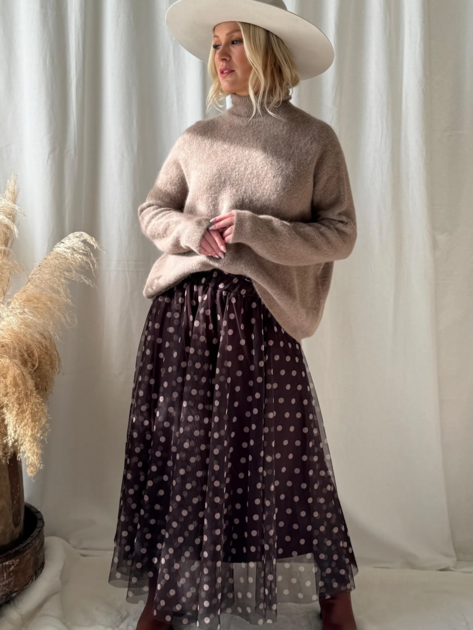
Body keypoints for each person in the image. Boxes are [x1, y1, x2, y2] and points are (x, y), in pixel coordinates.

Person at [108, 1, 359, 629]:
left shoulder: (313, 139)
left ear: (268, 50)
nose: (220, 55)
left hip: (264, 320)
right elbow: (152, 210)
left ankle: (334, 593)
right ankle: (167, 594)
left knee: (285, 455)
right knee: (184, 451)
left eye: (236, 41)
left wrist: (254, 228)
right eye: (216, 43)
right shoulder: (197, 138)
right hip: (184, 319)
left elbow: (340, 234)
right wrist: (190, 231)